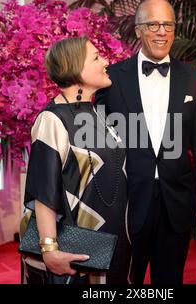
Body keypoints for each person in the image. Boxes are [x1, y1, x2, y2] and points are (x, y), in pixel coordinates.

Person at [95, 0, 196, 284]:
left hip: (175, 206)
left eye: (168, 25)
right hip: (126, 205)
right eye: (153, 24)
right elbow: (98, 146)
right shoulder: (111, 78)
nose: (162, 32)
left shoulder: (193, 79)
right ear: (138, 30)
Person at [21, 36, 131, 284]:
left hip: (114, 244)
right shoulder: (52, 120)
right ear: (75, 68)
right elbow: (43, 191)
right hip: (77, 251)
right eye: (96, 57)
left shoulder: (97, 114)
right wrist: (49, 250)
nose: (106, 61)